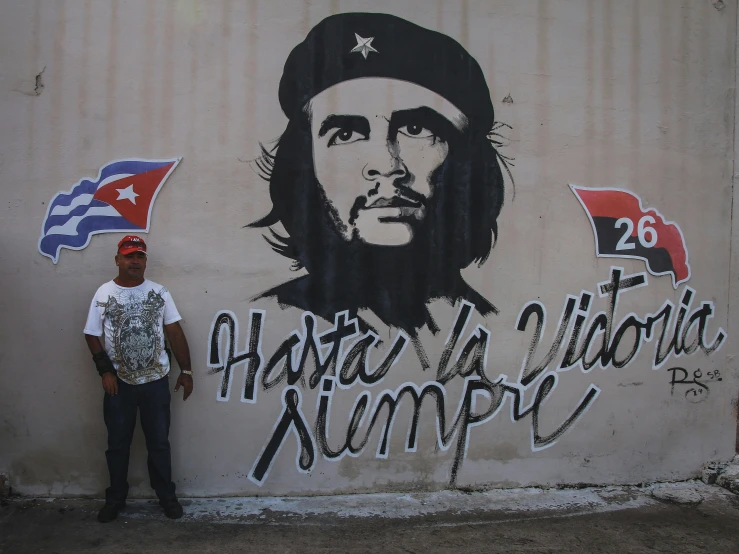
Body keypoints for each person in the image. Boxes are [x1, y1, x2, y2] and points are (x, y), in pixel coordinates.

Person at [251, 12, 509, 335]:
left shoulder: (493, 329)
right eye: (345, 134)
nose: (387, 166)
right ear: (305, 165)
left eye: (415, 129)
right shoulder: (273, 319)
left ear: (466, 160)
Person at [84, 235, 193, 523]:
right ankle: (116, 498)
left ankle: (166, 497)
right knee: (118, 444)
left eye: (140, 256)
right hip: (119, 384)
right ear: (117, 259)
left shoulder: (159, 292)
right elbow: (92, 334)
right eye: (129, 256)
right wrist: (105, 371)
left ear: (145, 260)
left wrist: (187, 370)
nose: (135, 261)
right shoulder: (104, 293)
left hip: (156, 381)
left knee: (159, 442)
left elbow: (174, 331)